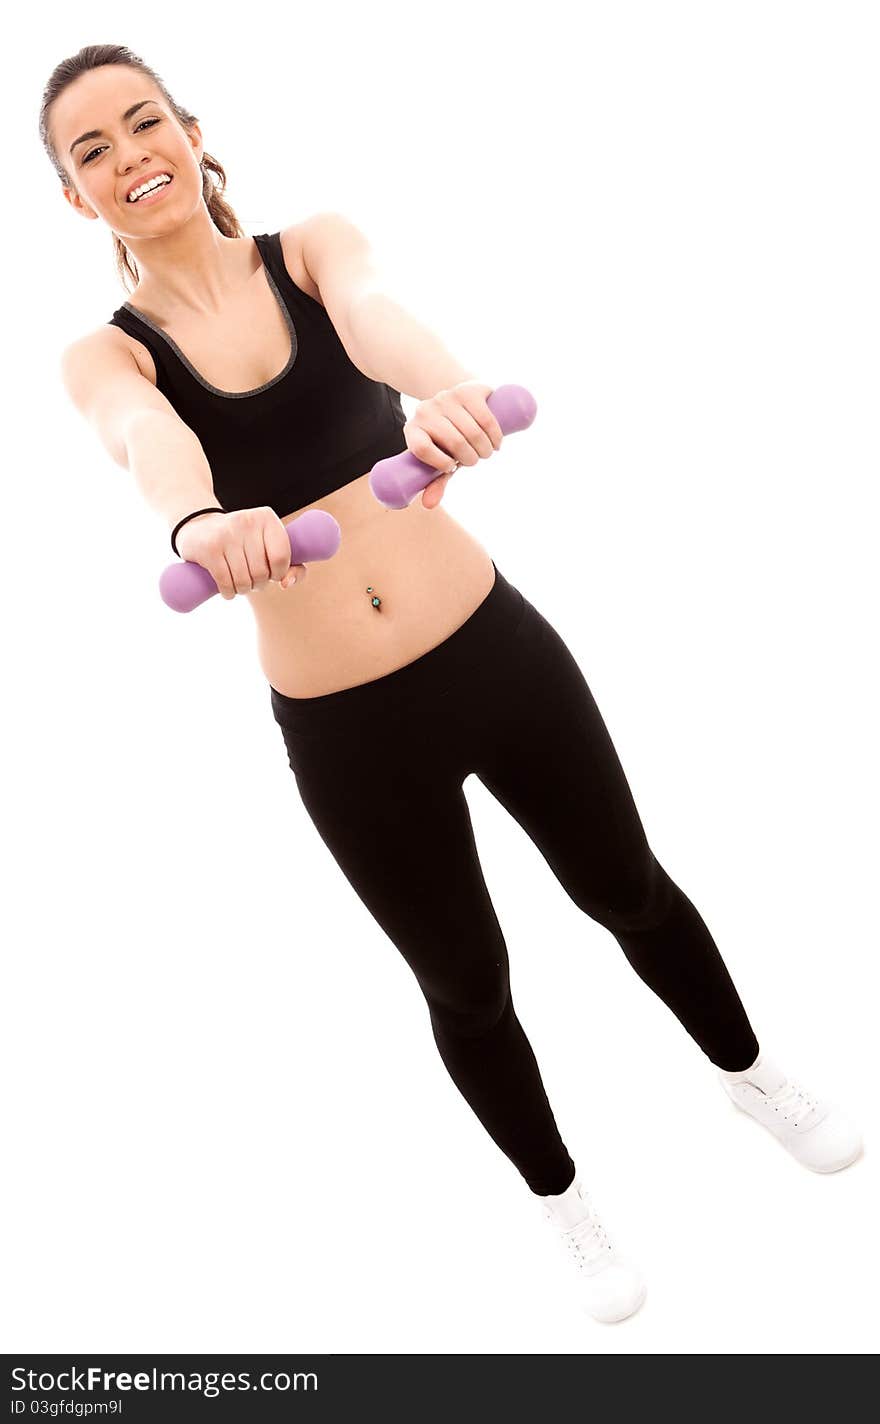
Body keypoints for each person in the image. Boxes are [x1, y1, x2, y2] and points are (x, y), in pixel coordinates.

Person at [43, 44, 862, 1326]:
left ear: (192, 132)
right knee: (467, 981)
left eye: (142, 122)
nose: (126, 154)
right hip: (347, 728)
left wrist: (447, 392)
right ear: (73, 195)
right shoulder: (109, 357)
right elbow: (143, 442)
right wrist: (200, 526)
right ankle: (561, 1199)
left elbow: (376, 313)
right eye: (90, 150)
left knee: (626, 886)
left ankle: (749, 1072)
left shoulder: (309, 246)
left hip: (490, 647)